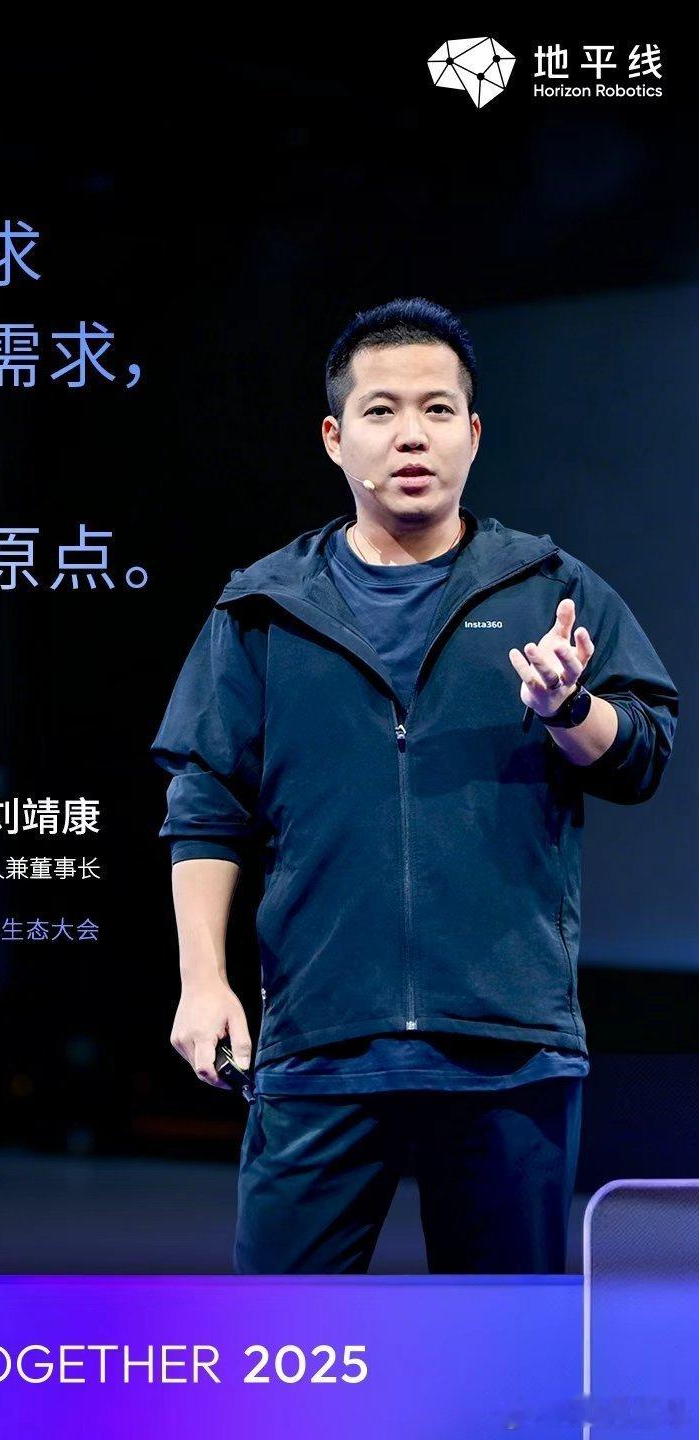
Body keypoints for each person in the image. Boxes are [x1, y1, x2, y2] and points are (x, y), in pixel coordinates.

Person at [149, 298, 679, 1274]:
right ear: (335, 437)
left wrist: (570, 709)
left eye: (437, 410)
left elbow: (643, 754)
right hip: (318, 1042)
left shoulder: (549, 587)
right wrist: (203, 980)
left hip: (507, 1047)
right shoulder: (263, 608)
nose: (411, 435)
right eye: (382, 410)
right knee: (281, 1343)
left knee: (504, 1350)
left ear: (472, 434)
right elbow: (207, 804)